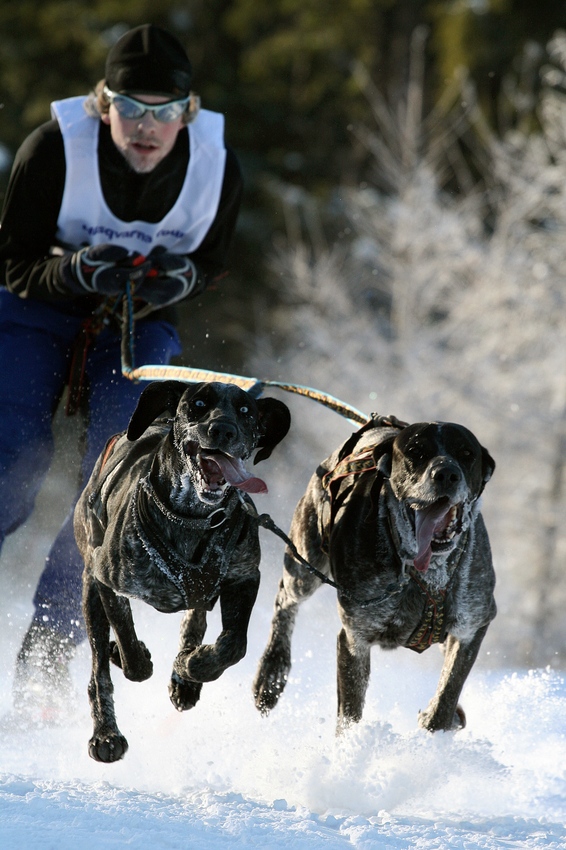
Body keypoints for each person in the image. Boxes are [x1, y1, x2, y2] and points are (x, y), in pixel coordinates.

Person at [0, 23, 243, 721]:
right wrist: (69, 269)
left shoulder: (215, 166)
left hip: (136, 326)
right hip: (39, 310)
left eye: (165, 111)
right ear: (102, 102)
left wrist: (180, 281)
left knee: (113, 481)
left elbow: (214, 263)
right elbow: (12, 260)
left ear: (188, 113)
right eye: (131, 108)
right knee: (11, 457)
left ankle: (51, 645)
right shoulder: (54, 148)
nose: (147, 127)